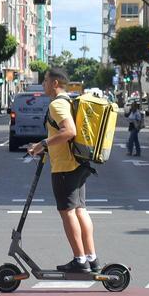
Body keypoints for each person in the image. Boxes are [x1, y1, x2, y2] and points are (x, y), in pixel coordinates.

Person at [27, 68, 100, 273]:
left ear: (55, 83)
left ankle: (79, 260)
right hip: (77, 163)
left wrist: (42, 144)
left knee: (67, 212)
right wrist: (46, 144)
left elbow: (68, 131)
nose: (43, 84)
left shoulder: (57, 104)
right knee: (79, 210)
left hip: (65, 167)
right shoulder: (69, 102)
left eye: (45, 81)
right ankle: (91, 258)